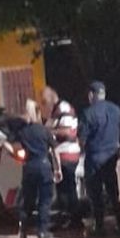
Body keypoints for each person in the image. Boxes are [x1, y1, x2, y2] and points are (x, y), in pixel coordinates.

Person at [5, 99, 61, 238]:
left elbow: (10, 146)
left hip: (29, 167)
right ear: (38, 113)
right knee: (44, 200)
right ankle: (42, 231)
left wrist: (9, 149)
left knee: (28, 200)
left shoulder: (23, 132)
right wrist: (58, 168)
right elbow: (55, 151)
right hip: (44, 167)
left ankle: (23, 230)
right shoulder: (44, 131)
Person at [78, 81, 120, 238]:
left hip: (95, 158)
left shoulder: (88, 113)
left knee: (95, 195)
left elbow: (82, 139)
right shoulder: (116, 110)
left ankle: (99, 227)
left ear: (91, 95)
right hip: (112, 157)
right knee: (114, 192)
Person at [41, 86, 81, 229]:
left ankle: (74, 219)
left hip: (67, 154)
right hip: (60, 155)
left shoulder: (63, 109)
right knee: (63, 188)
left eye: (44, 102)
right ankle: (68, 218)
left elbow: (68, 132)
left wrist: (47, 131)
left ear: (51, 99)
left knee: (67, 188)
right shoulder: (57, 111)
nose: (43, 105)